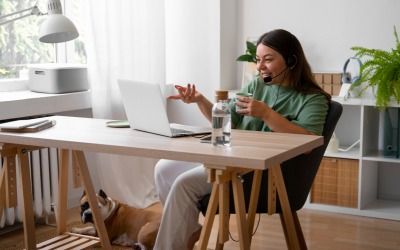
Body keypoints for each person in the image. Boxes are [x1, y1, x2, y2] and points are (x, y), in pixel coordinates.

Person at [153, 29, 331, 250]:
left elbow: (309, 144)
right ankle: (187, 232)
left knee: (184, 183)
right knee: (164, 168)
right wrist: (200, 100)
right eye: (258, 60)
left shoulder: (313, 99)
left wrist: (267, 114)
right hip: (233, 158)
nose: (260, 66)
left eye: (268, 59)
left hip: (264, 173)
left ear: (291, 61)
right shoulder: (256, 86)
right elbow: (229, 122)